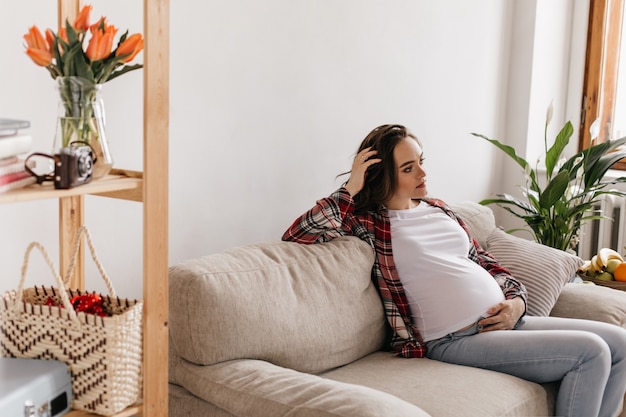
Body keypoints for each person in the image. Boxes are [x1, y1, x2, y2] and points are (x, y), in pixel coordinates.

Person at [282, 124, 626, 417]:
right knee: (590, 352)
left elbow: (484, 261)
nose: (422, 173)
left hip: (504, 321)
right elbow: (299, 234)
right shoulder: (367, 222)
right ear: (380, 175)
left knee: (621, 343)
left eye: (421, 162)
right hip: (453, 339)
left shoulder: (438, 209)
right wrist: (351, 186)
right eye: (407, 168)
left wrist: (517, 302)